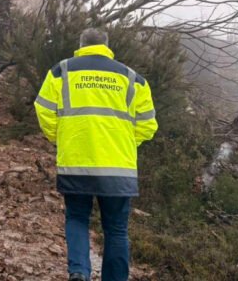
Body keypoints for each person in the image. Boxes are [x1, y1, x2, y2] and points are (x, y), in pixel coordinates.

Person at [34, 28, 158, 281]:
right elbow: (148, 124)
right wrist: (122, 142)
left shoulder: (62, 71)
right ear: (107, 46)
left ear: (80, 45)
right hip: (118, 167)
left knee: (78, 217)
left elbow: (44, 110)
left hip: (76, 161)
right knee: (116, 229)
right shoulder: (134, 79)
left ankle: (78, 272)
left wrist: (61, 138)